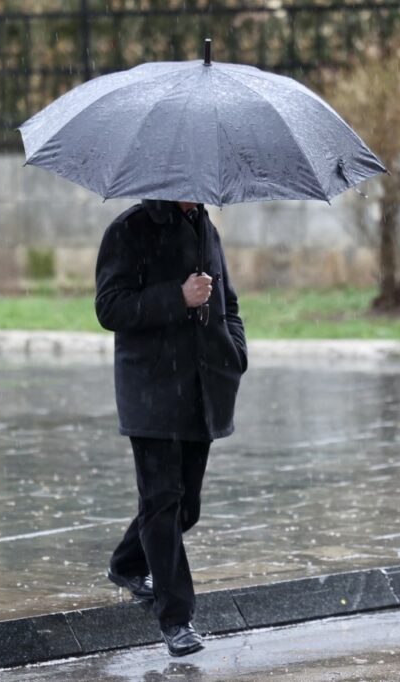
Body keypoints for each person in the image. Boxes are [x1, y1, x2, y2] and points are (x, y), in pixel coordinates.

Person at [94, 198, 247, 657]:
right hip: (152, 390)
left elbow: (228, 300)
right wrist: (176, 297)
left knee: (186, 509)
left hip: (202, 389)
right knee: (162, 503)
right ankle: (176, 618)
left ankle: (126, 562)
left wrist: (235, 349)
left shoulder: (204, 226)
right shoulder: (130, 229)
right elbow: (109, 307)